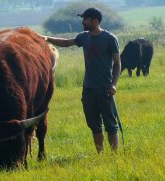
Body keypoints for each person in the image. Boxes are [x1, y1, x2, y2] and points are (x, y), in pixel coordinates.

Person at [42, 7, 121, 153]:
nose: (83, 22)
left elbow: (117, 63)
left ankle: (114, 156)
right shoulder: (84, 37)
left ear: (95, 21)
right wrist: (47, 38)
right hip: (88, 89)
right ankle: (100, 154)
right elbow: (67, 42)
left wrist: (114, 84)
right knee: (94, 124)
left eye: (85, 19)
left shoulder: (110, 39)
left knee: (111, 124)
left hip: (105, 89)